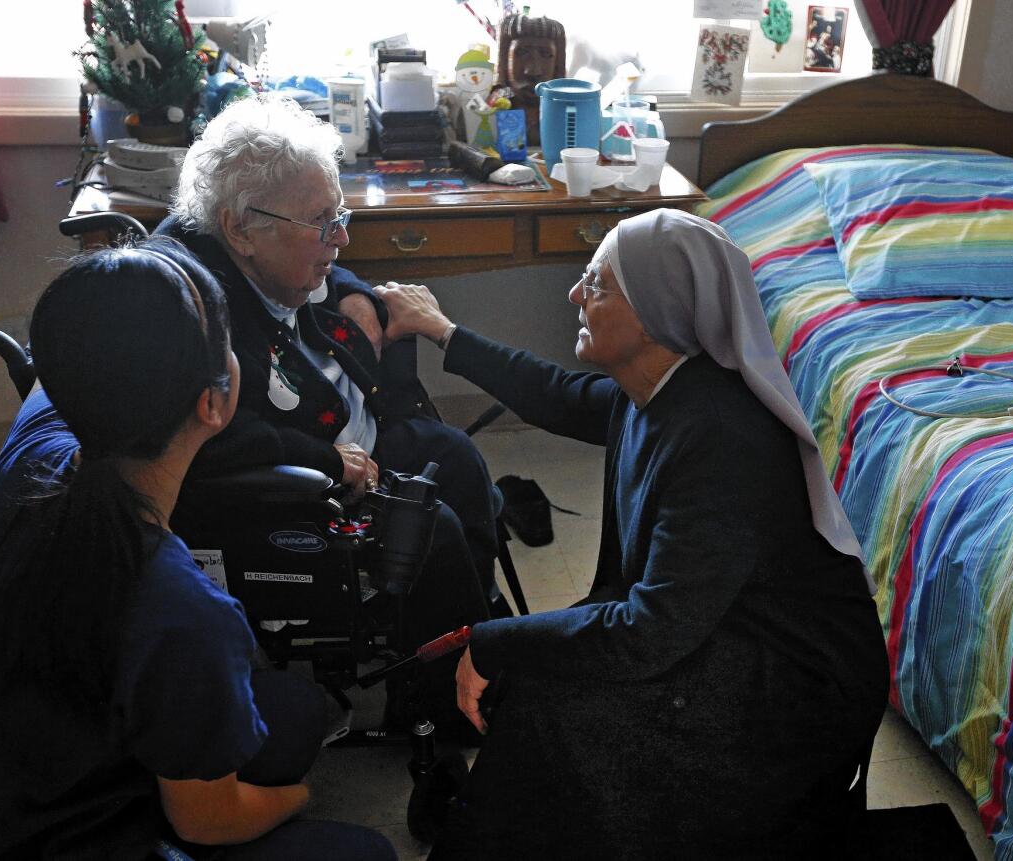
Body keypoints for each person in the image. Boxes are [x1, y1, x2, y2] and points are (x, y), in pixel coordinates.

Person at [376, 209, 890, 859]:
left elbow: (648, 633)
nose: (574, 294)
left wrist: (494, 639)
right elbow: (555, 394)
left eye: (596, 284)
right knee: (541, 683)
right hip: (722, 630)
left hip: (790, 690)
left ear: (654, 309)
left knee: (550, 697)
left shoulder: (721, 438)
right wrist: (443, 332)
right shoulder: (654, 390)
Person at [0, 240, 396, 860]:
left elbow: (112, 307)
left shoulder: (43, 429)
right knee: (362, 852)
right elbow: (207, 822)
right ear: (215, 403)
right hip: (56, 840)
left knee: (295, 709)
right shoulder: (179, 609)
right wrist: (298, 798)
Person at [158, 95, 499, 731]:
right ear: (238, 229)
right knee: (437, 529)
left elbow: (328, 275)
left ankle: (475, 635)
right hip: (296, 490)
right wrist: (323, 460)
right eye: (323, 223)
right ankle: (439, 707)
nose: (341, 237)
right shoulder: (192, 316)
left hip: (352, 446)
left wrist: (357, 295)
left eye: (338, 215)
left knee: (453, 455)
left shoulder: (259, 249)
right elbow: (210, 440)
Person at [494, 11, 566, 145]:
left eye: (545, 54)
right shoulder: (494, 109)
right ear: (505, 60)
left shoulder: (565, 115)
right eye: (522, 53)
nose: (533, 71)